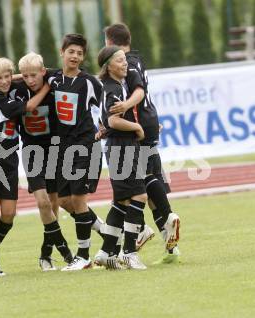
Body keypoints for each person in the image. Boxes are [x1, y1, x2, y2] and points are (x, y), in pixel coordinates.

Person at [104, 23, 181, 263]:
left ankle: (163, 220)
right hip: (147, 120)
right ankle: (169, 248)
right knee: (146, 183)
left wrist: (127, 109)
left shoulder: (124, 62)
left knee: (141, 181)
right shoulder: (136, 58)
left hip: (138, 126)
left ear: (111, 42)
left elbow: (138, 91)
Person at [0, 57, 50, 274]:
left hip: (10, 160)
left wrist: (19, 75)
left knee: (9, 214)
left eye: (6, 77)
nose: (3, 81)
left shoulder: (10, 91)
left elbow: (22, 77)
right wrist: (47, 86)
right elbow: (30, 106)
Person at [46, 34, 103, 271]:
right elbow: (29, 73)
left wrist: (104, 127)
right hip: (61, 148)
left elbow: (107, 104)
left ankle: (83, 256)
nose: (75, 57)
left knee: (79, 199)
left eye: (80, 53)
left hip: (83, 145)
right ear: (62, 52)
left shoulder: (89, 82)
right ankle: (109, 232)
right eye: (71, 52)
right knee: (62, 200)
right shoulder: (52, 78)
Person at [14, 52, 73, 270]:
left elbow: (63, 72)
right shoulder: (18, 90)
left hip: (54, 149)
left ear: (43, 72)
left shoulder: (55, 82)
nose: (30, 80)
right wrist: (14, 78)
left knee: (54, 203)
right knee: (43, 202)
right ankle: (65, 252)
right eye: (25, 76)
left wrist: (46, 79)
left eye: (34, 75)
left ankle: (46, 253)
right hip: (32, 151)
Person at [94, 46, 148, 270]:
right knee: (140, 196)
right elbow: (113, 120)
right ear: (108, 67)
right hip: (122, 146)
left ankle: (106, 252)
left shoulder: (115, 86)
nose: (125, 63)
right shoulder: (112, 87)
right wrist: (137, 126)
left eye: (125, 59)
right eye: (119, 60)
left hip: (118, 146)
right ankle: (129, 252)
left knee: (122, 201)